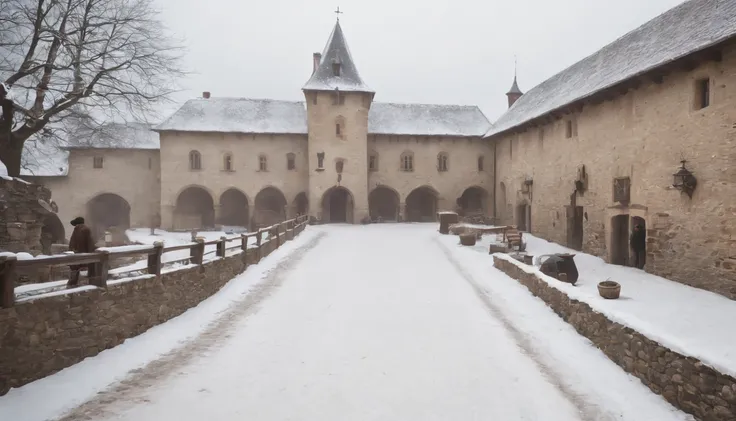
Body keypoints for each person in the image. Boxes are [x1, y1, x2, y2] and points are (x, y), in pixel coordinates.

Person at [67, 217, 96, 288]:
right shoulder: (86, 230)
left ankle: (73, 284)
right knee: (90, 270)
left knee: (75, 270)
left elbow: (72, 244)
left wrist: (71, 251)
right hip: (84, 255)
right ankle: (90, 284)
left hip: (77, 254)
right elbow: (90, 244)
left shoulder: (78, 230)